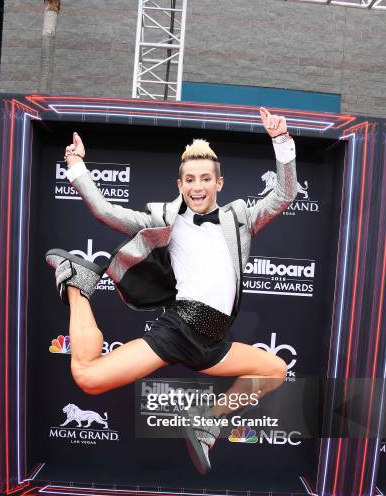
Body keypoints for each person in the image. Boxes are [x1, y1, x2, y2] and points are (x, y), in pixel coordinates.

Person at [46, 107, 298, 474]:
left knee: (273, 370)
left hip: (214, 341)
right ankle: (76, 284)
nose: (198, 186)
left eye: (206, 179)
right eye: (190, 179)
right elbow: (104, 211)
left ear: (219, 183)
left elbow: (285, 194)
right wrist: (78, 167)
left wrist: (281, 140)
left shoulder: (240, 218)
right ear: (180, 185)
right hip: (178, 332)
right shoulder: (163, 219)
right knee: (88, 378)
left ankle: (208, 422)